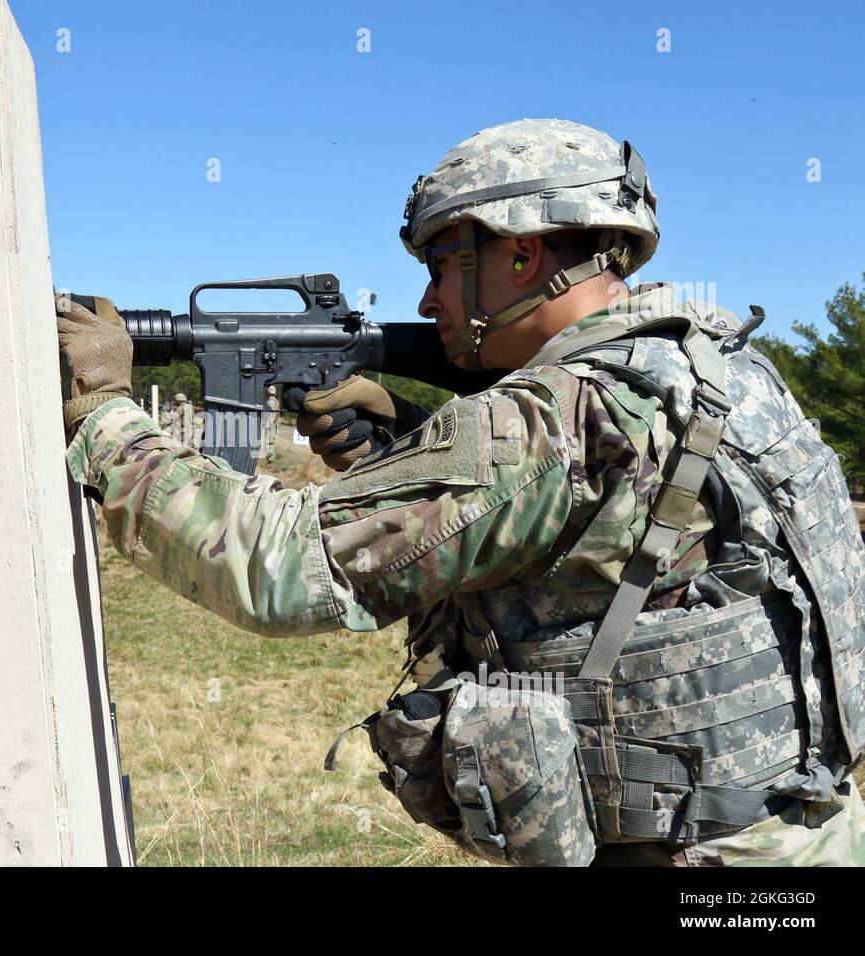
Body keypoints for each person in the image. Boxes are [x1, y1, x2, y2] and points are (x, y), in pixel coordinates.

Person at [54, 119, 865, 866]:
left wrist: (106, 410)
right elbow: (620, 542)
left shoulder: (554, 418)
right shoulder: (718, 369)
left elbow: (276, 571)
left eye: (444, 263)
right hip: (806, 837)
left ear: (522, 255)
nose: (425, 300)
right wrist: (414, 442)